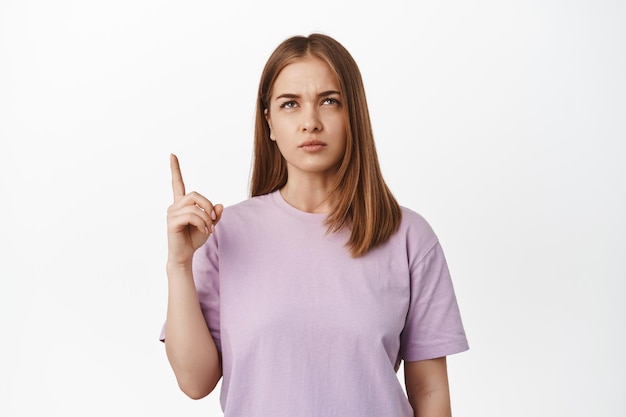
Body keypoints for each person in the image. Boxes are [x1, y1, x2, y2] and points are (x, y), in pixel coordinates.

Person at [161, 33, 468, 417]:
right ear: (269, 122)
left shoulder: (408, 236)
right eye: (290, 104)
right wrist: (179, 265)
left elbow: (430, 392)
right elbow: (195, 381)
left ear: (352, 114)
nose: (310, 122)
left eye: (329, 101)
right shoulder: (223, 233)